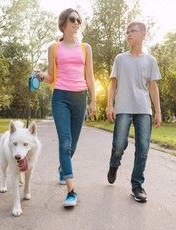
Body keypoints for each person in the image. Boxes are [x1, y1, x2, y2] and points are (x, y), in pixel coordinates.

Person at [36, 8, 96, 207]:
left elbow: (90, 77)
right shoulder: (54, 48)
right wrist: (41, 75)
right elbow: (52, 76)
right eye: (72, 19)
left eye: (79, 19)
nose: (76, 22)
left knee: (74, 144)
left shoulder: (86, 47)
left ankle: (63, 168)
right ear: (63, 23)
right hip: (60, 96)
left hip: (80, 97)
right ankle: (71, 191)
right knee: (65, 142)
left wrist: (93, 101)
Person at [106, 21, 161, 202]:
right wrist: (109, 105)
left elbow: (153, 87)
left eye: (133, 31)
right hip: (123, 107)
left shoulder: (150, 60)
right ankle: (114, 164)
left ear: (143, 34)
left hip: (143, 109)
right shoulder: (120, 59)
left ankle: (137, 185)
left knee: (143, 149)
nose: (129, 34)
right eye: (127, 32)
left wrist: (158, 112)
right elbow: (113, 84)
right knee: (119, 144)